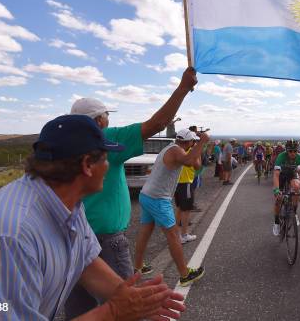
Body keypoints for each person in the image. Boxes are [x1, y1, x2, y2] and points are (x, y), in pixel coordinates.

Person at [0, 115, 185, 320]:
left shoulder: (64, 201)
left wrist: (125, 294)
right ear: (88, 165)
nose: (109, 166)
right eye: (106, 158)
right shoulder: (10, 239)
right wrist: (114, 311)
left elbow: (86, 259)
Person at [65, 67, 197, 318]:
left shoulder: (67, 144)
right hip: (105, 238)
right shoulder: (105, 138)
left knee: (79, 307)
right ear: (99, 120)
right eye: (106, 115)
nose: (108, 120)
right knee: (128, 306)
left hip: (73, 237)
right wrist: (183, 88)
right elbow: (156, 124)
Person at [134, 128, 209, 287]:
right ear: (188, 141)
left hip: (147, 195)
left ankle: (138, 266)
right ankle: (184, 275)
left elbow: (196, 165)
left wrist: (196, 147)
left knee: (145, 231)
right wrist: (202, 142)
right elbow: (190, 161)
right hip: (158, 199)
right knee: (174, 235)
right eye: (192, 141)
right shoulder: (176, 151)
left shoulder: (174, 148)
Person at [272, 139, 300, 236]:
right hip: (281, 175)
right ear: (286, 150)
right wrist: (276, 190)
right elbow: (276, 175)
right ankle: (276, 222)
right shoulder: (281, 156)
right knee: (278, 199)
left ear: (297, 150)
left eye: (295, 151)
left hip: (292, 174)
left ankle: (294, 212)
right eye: (290, 151)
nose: (293, 153)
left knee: (297, 187)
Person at [174, 134, 200, 245]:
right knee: (186, 210)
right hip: (186, 183)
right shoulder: (191, 152)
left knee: (180, 208)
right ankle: (184, 235)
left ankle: (175, 234)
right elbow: (197, 166)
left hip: (177, 183)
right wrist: (197, 153)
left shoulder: (177, 150)